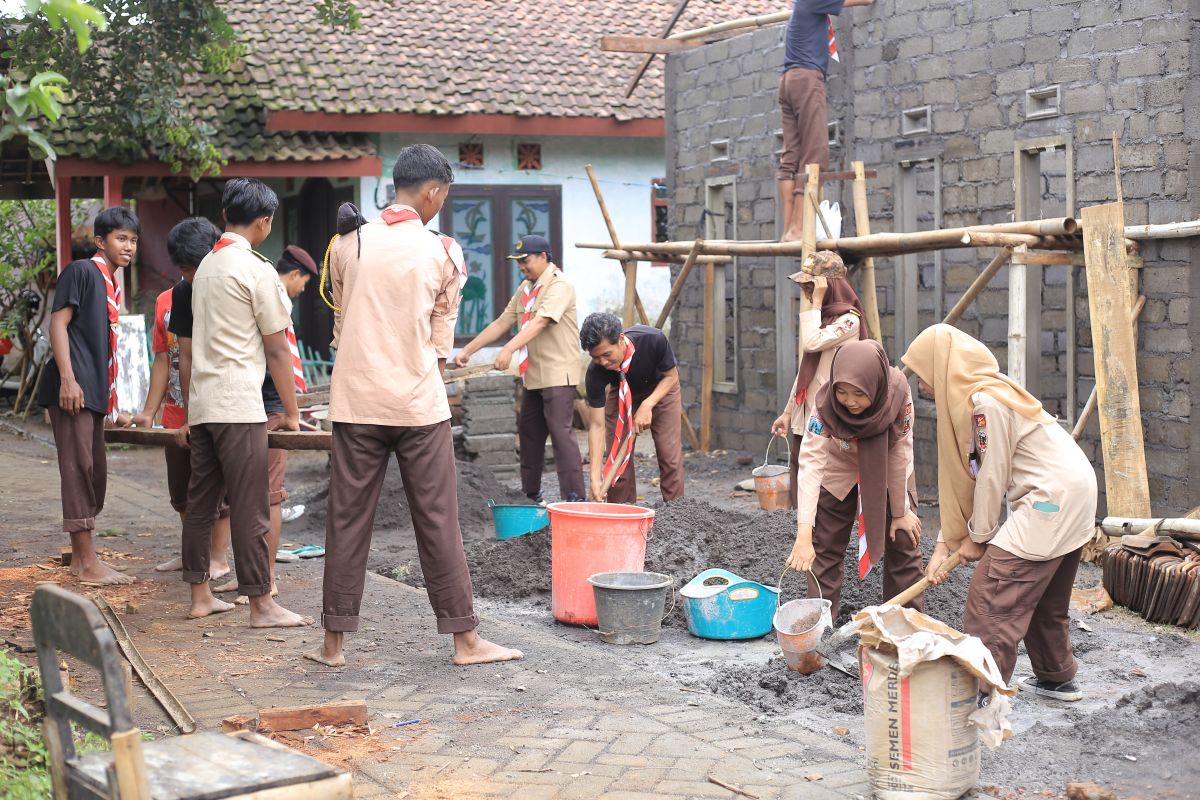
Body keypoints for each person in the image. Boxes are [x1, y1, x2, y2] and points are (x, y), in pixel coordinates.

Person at [310, 144, 522, 668]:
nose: (441, 205)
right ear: (432, 192)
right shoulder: (444, 251)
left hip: (356, 400)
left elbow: (339, 326)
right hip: (418, 407)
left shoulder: (347, 242)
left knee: (346, 518)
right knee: (437, 519)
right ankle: (464, 641)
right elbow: (440, 342)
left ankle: (333, 644)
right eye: (443, 196)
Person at [903, 324, 1096, 700]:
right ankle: (1057, 677)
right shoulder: (990, 392)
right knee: (1042, 594)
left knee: (992, 596)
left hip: (1048, 502)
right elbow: (973, 475)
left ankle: (980, 693)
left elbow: (990, 476)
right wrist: (946, 544)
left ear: (944, 368)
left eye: (923, 373)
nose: (921, 385)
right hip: (1070, 494)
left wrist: (979, 537)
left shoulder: (985, 404)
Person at [179, 178, 308, 628]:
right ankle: (261, 604)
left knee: (202, 504)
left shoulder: (206, 268)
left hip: (203, 404)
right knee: (251, 506)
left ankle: (200, 595)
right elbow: (277, 348)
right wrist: (291, 413)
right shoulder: (256, 270)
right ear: (264, 221)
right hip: (239, 406)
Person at [787, 339, 923, 621]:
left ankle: (905, 626)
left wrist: (900, 512)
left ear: (875, 385)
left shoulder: (897, 393)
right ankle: (820, 629)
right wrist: (803, 536)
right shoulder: (825, 404)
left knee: (904, 542)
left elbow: (900, 453)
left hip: (885, 468)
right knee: (824, 548)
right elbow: (811, 463)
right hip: (838, 466)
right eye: (843, 392)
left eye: (859, 394)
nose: (850, 402)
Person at [38, 207, 138, 584]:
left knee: (94, 471)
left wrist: (113, 405)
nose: (128, 247)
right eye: (121, 239)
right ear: (101, 241)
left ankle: (82, 561)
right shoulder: (81, 271)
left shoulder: (111, 284)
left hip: (94, 392)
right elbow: (58, 323)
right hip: (71, 390)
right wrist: (68, 379)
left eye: (133, 241)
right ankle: (88, 562)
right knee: (79, 468)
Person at [212, 244, 318, 603]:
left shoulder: (253, 286)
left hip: (254, 404)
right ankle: (258, 578)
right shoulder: (269, 290)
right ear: (292, 276)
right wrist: (292, 413)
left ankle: (264, 578)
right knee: (262, 495)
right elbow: (278, 354)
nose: (302, 290)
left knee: (262, 494)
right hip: (265, 405)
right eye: (303, 282)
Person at [131, 217, 231, 579]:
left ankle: (216, 559)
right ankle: (195, 554)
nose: (189, 275)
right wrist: (149, 411)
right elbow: (163, 358)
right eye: (184, 269)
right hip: (176, 412)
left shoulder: (227, 294)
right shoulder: (166, 300)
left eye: (195, 267)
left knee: (218, 494)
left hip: (214, 409)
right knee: (181, 492)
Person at [453, 234, 584, 503]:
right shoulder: (526, 289)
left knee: (561, 436)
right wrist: (467, 350)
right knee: (529, 435)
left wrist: (509, 349)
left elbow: (540, 323)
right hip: (533, 374)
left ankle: (575, 499)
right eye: (518, 262)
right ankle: (530, 496)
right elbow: (502, 322)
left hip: (558, 373)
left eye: (526, 260)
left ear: (544, 257)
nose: (521, 266)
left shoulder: (560, 286)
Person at [771, 251, 867, 508]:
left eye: (810, 288)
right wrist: (787, 413)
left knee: (823, 491)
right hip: (806, 418)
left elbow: (812, 344)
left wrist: (815, 304)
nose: (807, 295)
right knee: (800, 486)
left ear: (828, 288)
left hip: (828, 422)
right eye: (806, 289)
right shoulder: (823, 320)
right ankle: (801, 538)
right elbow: (806, 373)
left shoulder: (849, 321)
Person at [778, 0, 874, 241]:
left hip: (789, 79)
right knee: (815, 154)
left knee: (792, 155)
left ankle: (790, 229)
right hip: (807, 79)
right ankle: (799, 228)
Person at [580, 313, 684, 505]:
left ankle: (676, 512)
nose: (602, 362)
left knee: (669, 454)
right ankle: (622, 512)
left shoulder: (653, 340)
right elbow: (596, 426)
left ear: (620, 340)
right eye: (596, 357)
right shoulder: (595, 373)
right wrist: (595, 478)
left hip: (661, 390)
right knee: (616, 455)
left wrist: (648, 404)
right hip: (621, 391)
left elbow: (671, 377)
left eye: (607, 355)